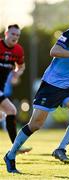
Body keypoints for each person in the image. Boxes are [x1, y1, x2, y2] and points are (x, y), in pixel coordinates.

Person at [4, 5, 69, 173]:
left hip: (68, 86)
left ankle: (61, 149)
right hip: (51, 85)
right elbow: (54, 51)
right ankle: (11, 155)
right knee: (36, 124)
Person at [0, 24, 32, 153]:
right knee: (11, 110)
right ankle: (16, 147)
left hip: (1, 88)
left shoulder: (18, 50)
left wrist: (16, 74)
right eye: (13, 34)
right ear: (6, 33)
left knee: (2, 115)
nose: (15, 37)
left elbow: (21, 67)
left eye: (18, 35)